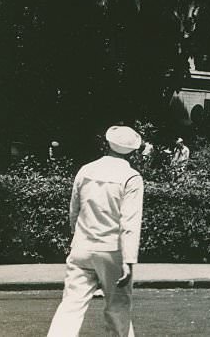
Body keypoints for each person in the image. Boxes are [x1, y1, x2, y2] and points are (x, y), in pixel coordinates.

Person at [47, 125, 144, 337]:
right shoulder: (131, 177)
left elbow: (74, 209)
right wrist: (128, 259)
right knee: (117, 308)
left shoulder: (86, 169)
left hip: (82, 246)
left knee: (71, 305)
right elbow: (130, 221)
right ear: (134, 151)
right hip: (112, 250)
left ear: (107, 144)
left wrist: (77, 236)